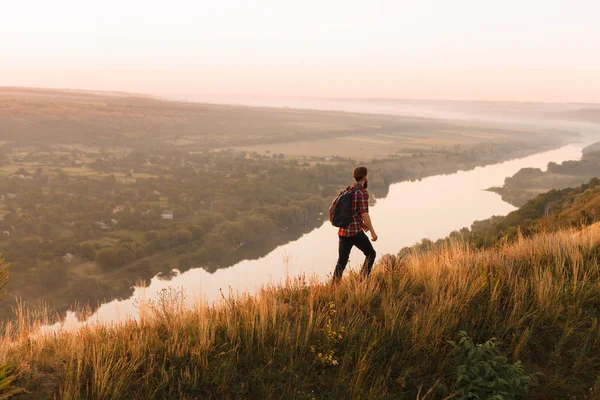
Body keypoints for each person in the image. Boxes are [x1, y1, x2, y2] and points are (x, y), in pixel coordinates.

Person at [332, 166, 378, 283]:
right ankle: (361, 282)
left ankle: (333, 287)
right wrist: (373, 232)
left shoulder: (349, 190)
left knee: (342, 261)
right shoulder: (361, 192)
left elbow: (351, 212)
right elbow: (364, 214)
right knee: (371, 253)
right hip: (354, 233)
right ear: (365, 177)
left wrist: (361, 224)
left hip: (342, 232)